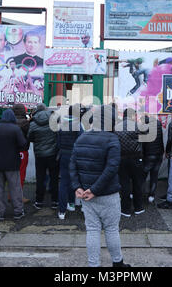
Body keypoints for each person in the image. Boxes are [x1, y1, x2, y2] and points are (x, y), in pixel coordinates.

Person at [70, 105, 130, 268]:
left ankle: (93, 265)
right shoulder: (112, 139)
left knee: (92, 230)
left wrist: (77, 187)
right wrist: (95, 190)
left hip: (86, 195)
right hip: (107, 194)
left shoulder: (81, 138)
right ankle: (118, 263)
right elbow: (112, 168)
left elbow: (72, 165)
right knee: (111, 229)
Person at [0, 109, 27, 221]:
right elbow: (23, 144)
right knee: (15, 188)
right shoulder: (15, 129)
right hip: (12, 163)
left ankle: (0, 212)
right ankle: (18, 212)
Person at [28, 104, 59, 210]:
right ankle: (55, 201)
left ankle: (39, 201)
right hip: (53, 154)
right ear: (46, 109)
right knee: (54, 177)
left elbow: (30, 137)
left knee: (40, 178)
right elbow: (58, 135)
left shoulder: (33, 122)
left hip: (39, 154)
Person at [115, 108, 144, 217]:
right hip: (136, 158)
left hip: (122, 159)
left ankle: (125, 210)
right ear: (132, 115)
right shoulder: (137, 126)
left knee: (124, 184)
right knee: (137, 183)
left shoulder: (117, 127)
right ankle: (138, 208)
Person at [57, 104, 83, 220]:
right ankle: (72, 203)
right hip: (75, 155)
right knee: (74, 180)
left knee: (63, 182)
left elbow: (57, 142)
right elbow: (81, 140)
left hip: (63, 155)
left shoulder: (62, 124)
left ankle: (62, 211)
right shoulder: (78, 124)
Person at [142, 114, 164, 204]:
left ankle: (136, 193)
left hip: (149, 155)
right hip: (159, 155)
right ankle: (151, 195)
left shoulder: (145, 128)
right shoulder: (159, 125)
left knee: (142, 176)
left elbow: (143, 144)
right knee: (154, 176)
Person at [13, 104, 31, 204]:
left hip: (10, 151)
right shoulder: (25, 123)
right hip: (22, 151)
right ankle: (19, 196)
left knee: (11, 174)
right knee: (21, 174)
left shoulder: (10, 121)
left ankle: (11, 195)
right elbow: (29, 135)